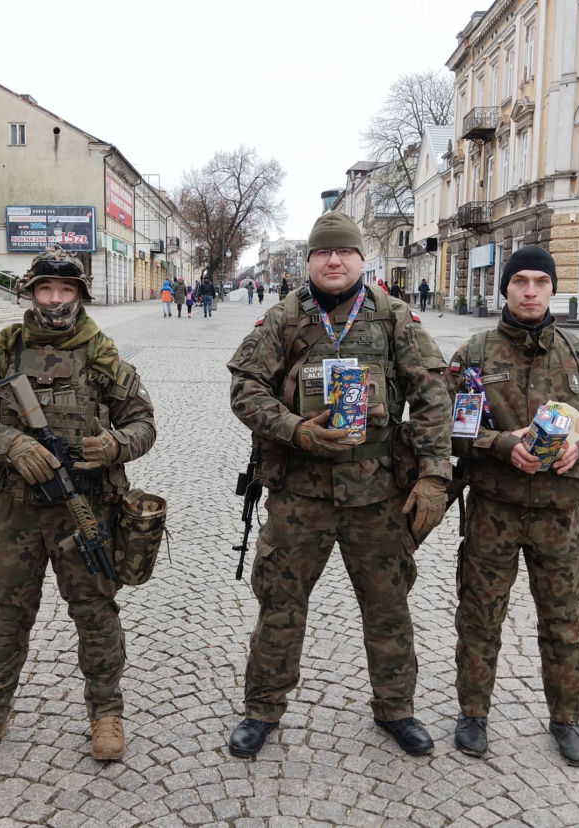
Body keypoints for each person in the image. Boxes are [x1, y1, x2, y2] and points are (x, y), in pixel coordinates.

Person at [225, 211, 452, 759]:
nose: (334, 261)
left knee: (388, 605)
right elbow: (246, 390)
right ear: (308, 261)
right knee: (280, 602)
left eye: (344, 252)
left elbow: (431, 397)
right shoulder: (284, 318)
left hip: (377, 497)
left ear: (359, 259)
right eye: (323, 253)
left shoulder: (395, 317)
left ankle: (396, 709)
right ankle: (262, 708)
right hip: (299, 496)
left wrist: (434, 476)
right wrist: (296, 431)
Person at [0, 251, 156, 764]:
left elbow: (144, 425)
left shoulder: (103, 354)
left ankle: (106, 711)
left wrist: (113, 445)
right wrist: (9, 444)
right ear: (31, 293)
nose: (56, 300)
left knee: (95, 612)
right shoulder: (4, 350)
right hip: (15, 511)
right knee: (6, 613)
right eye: (46, 290)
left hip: (84, 506)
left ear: (80, 295)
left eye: (66, 291)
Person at [445, 246, 579, 767]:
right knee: (479, 616)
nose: (528, 290)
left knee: (563, 621)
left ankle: (566, 719)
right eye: (519, 280)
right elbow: (451, 430)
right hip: (493, 512)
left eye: (539, 281)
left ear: (551, 289)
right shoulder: (474, 356)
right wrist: (502, 445)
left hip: (558, 517)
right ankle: (473, 713)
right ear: (504, 287)